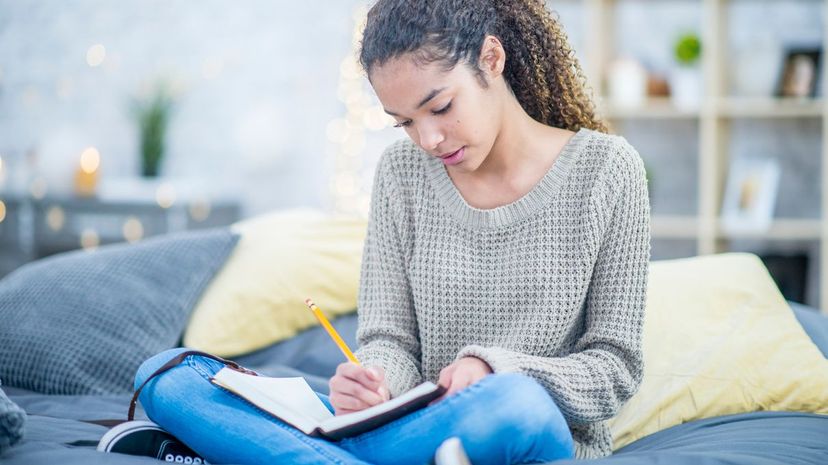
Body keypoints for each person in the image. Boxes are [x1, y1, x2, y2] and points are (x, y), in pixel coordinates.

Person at [104, 0, 650, 463]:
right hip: (407, 433)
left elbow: (615, 369)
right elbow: (387, 340)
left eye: (440, 107)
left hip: (515, 430)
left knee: (514, 401)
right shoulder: (401, 174)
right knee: (170, 374)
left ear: (492, 58)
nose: (429, 139)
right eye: (405, 122)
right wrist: (376, 383)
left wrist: (492, 368)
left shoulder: (608, 171)